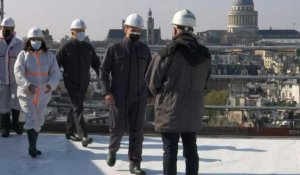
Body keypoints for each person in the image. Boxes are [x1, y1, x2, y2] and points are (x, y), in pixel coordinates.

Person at [145, 9, 211, 175]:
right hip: (193, 110)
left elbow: (152, 83)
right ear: (192, 29)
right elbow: (206, 83)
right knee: (191, 151)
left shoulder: (166, 54)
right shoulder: (205, 54)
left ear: (175, 30)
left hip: (170, 111)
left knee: (170, 152)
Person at [100, 14, 151, 175]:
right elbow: (103, 71)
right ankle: (112, 150)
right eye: (132, 30)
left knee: (137, 132)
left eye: (138, 30)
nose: (135, 33)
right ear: (125, 29)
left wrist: (150, 94)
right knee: (117, 128)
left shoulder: (144, 50)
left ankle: (135, 163)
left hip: (139, 97)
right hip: (118, 97)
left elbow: (150, 74)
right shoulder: (114, 49)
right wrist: (106, 92)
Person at [14, 27, 60, 157]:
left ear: (42, 40)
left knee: (39, 120)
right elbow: (18, 72)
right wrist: (28, 85)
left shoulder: (49, 56)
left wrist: (51, 86)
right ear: (28, 41)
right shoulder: (23, 55)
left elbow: (55, 74)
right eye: (33, 39)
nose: (35, 41)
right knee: (31, 118)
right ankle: (32, 147)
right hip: (26, 94)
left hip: (43, 95)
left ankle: (34, 145)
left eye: (38, 39)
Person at [56, 19, 100, 147]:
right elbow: (55, 66)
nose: (81, 33)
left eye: (82, 30)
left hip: (84, 83)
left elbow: (97, 64)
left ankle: (69, 132)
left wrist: (103, 78)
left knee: (74, 106)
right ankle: (83, 135)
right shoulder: (65, 48)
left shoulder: (88, 48)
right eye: (78, 31)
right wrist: (54, 82)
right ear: (72, 32)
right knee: (78, 108)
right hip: (70, 83)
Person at [0, 17, 24, 137]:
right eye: (4, 28)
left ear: (13, 29)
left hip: (15, 80)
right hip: (1, 80)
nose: (6, 31)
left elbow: (24, 63)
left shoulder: (19, 44)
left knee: (16, 102)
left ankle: (16, 125)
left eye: (8, 29)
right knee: (3, 104)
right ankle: (6, 128)